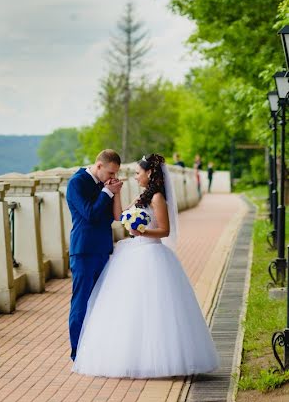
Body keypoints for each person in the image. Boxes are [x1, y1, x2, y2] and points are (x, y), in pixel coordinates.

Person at [72, 154, 219, 378]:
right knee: (132, 308)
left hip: (152, 252)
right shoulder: (142, 196)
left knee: (155, 308)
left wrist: (143, 231)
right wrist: (116, 193)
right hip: (133, 252)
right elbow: (120, 216)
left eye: (138, 173)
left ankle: (160, 358)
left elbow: (165, 230)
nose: (134, 177)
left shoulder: (157, 198)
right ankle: (133, 356)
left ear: (149, 173)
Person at [65, 149, 123, 361]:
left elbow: (111, 217)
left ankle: (96, 349)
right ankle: (77, 352)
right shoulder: (77, 183)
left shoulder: (105, 185)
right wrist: (107, 193)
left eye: (115, 174)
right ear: (99, 166)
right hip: (84, 251)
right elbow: (89, 214)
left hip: (103, 249)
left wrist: (115, 193)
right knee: (81, 301)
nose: (113, 178)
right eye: (110, 173)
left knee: (100, 301)